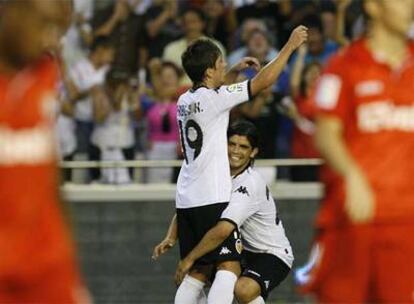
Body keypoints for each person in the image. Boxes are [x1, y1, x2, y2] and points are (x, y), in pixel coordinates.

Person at [172, 25, 307, 304]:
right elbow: (263, 82)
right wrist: (290, 46)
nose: (224, 66)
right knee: (228, 268)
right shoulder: (217, 99)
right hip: (211, 196)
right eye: (220, 63)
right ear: (209, 72)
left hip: (186, 197)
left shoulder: (184, 100)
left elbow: (210, 93)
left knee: (199, 272)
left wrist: (230, 71)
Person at [296, 0, 414, 302]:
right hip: (352, 219)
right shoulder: (343, 66)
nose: (409, 7)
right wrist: (353, 176)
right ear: (373, 7)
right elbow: (325, 133)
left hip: (404, 221)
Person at [0, 1, 90, 303]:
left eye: (57, 29)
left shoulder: (45, 74)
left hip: (49, 267)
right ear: (10, 10)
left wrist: (70, 266)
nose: (49, 40)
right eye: (44, 24)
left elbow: (49, 181)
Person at [157, 120, 293, 304]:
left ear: (253, 152)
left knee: (243, 290)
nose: (236, 151)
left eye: (243, 146)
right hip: (241, 248)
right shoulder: (216, 174)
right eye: (232, 144)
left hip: (270, 252)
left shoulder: (249, 184)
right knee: (198, 274)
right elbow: (191, 205)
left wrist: (189, 259)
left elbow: (223, 230)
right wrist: (171, 236)